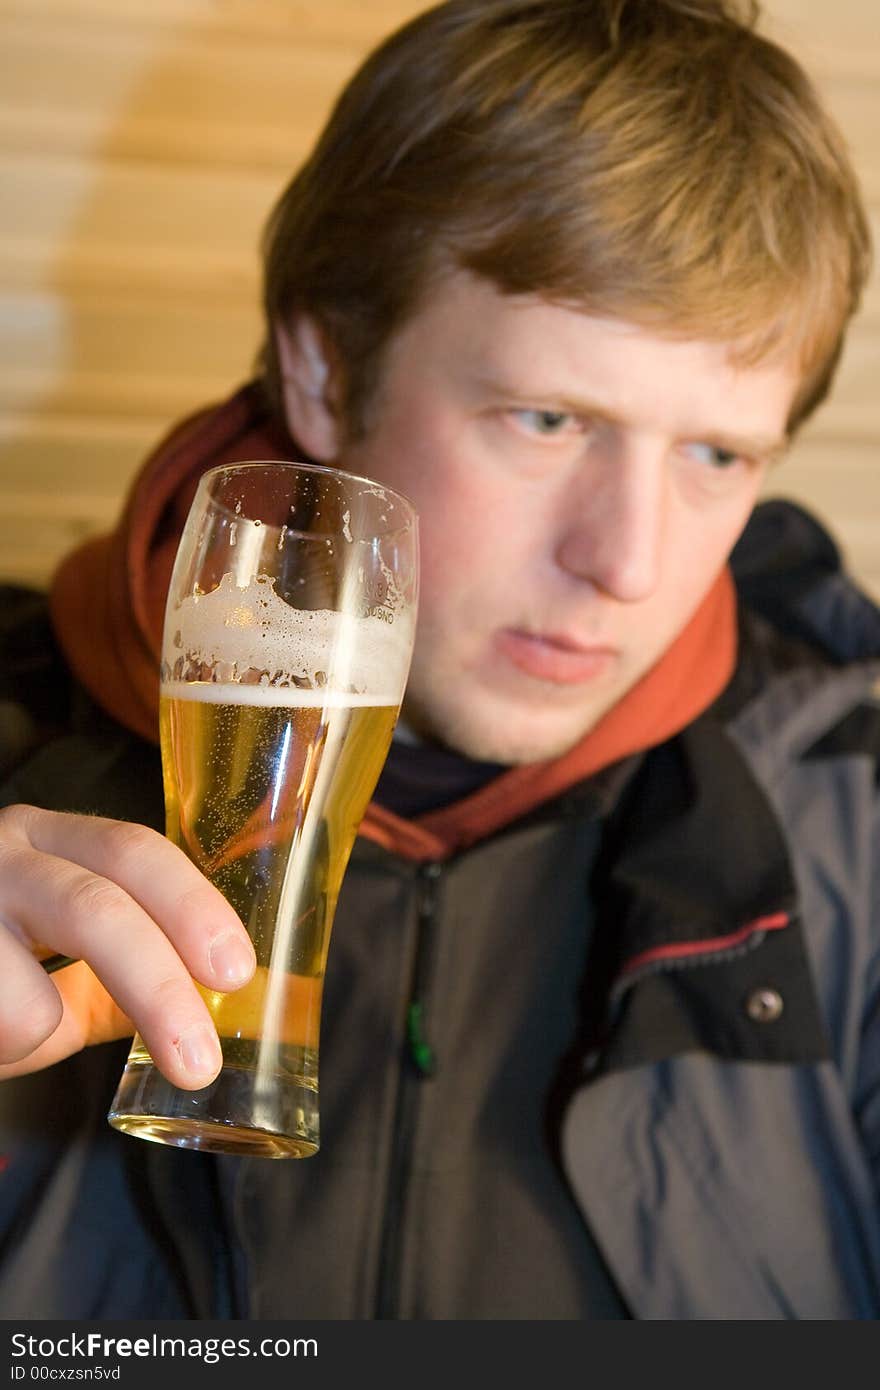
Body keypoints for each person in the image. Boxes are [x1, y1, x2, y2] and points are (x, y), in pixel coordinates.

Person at [0, 0, 877, 1320]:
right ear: (321, 371)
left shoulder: (854, 824)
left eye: (717, 455)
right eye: (545, 417)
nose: (629, 562)